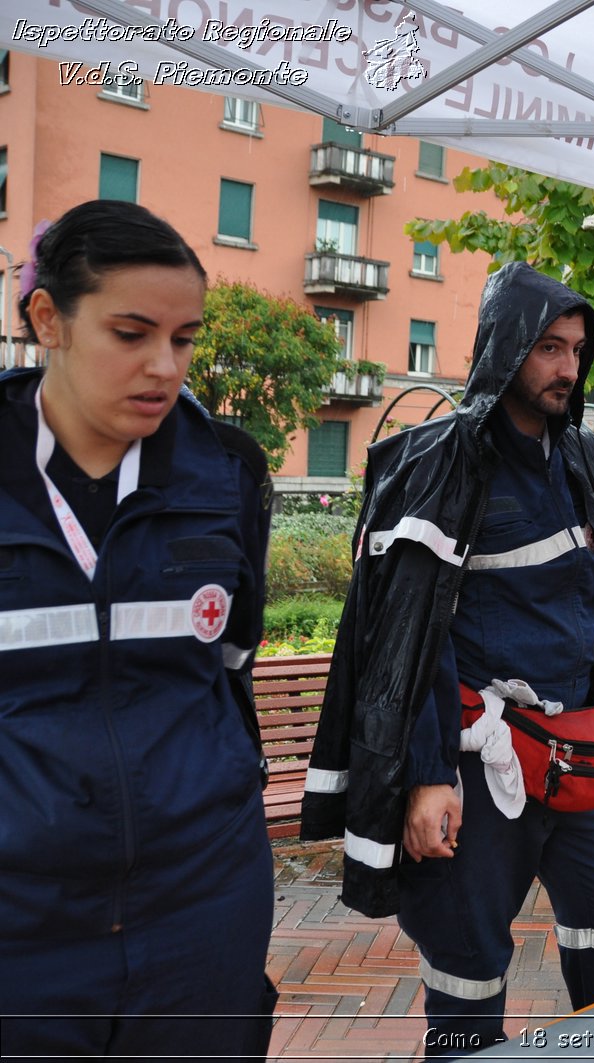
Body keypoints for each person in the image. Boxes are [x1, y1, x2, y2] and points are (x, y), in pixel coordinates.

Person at [301, 263, 594, 1055]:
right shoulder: (442, 461)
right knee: (468, 968)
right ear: (505, 347)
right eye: (549, 348)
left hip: (581, 751)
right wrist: (427, 773)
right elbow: (410, 636)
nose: (568, 367)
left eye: (576, 349)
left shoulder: (588, 461)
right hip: (475, 761)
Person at [0, 201, 276, 1058]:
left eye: (185, 338)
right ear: (49, 318)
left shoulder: (226, 471)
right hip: (22, 934)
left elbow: (230, 663)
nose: (165, 366)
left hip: (202, 912)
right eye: (131, 332)